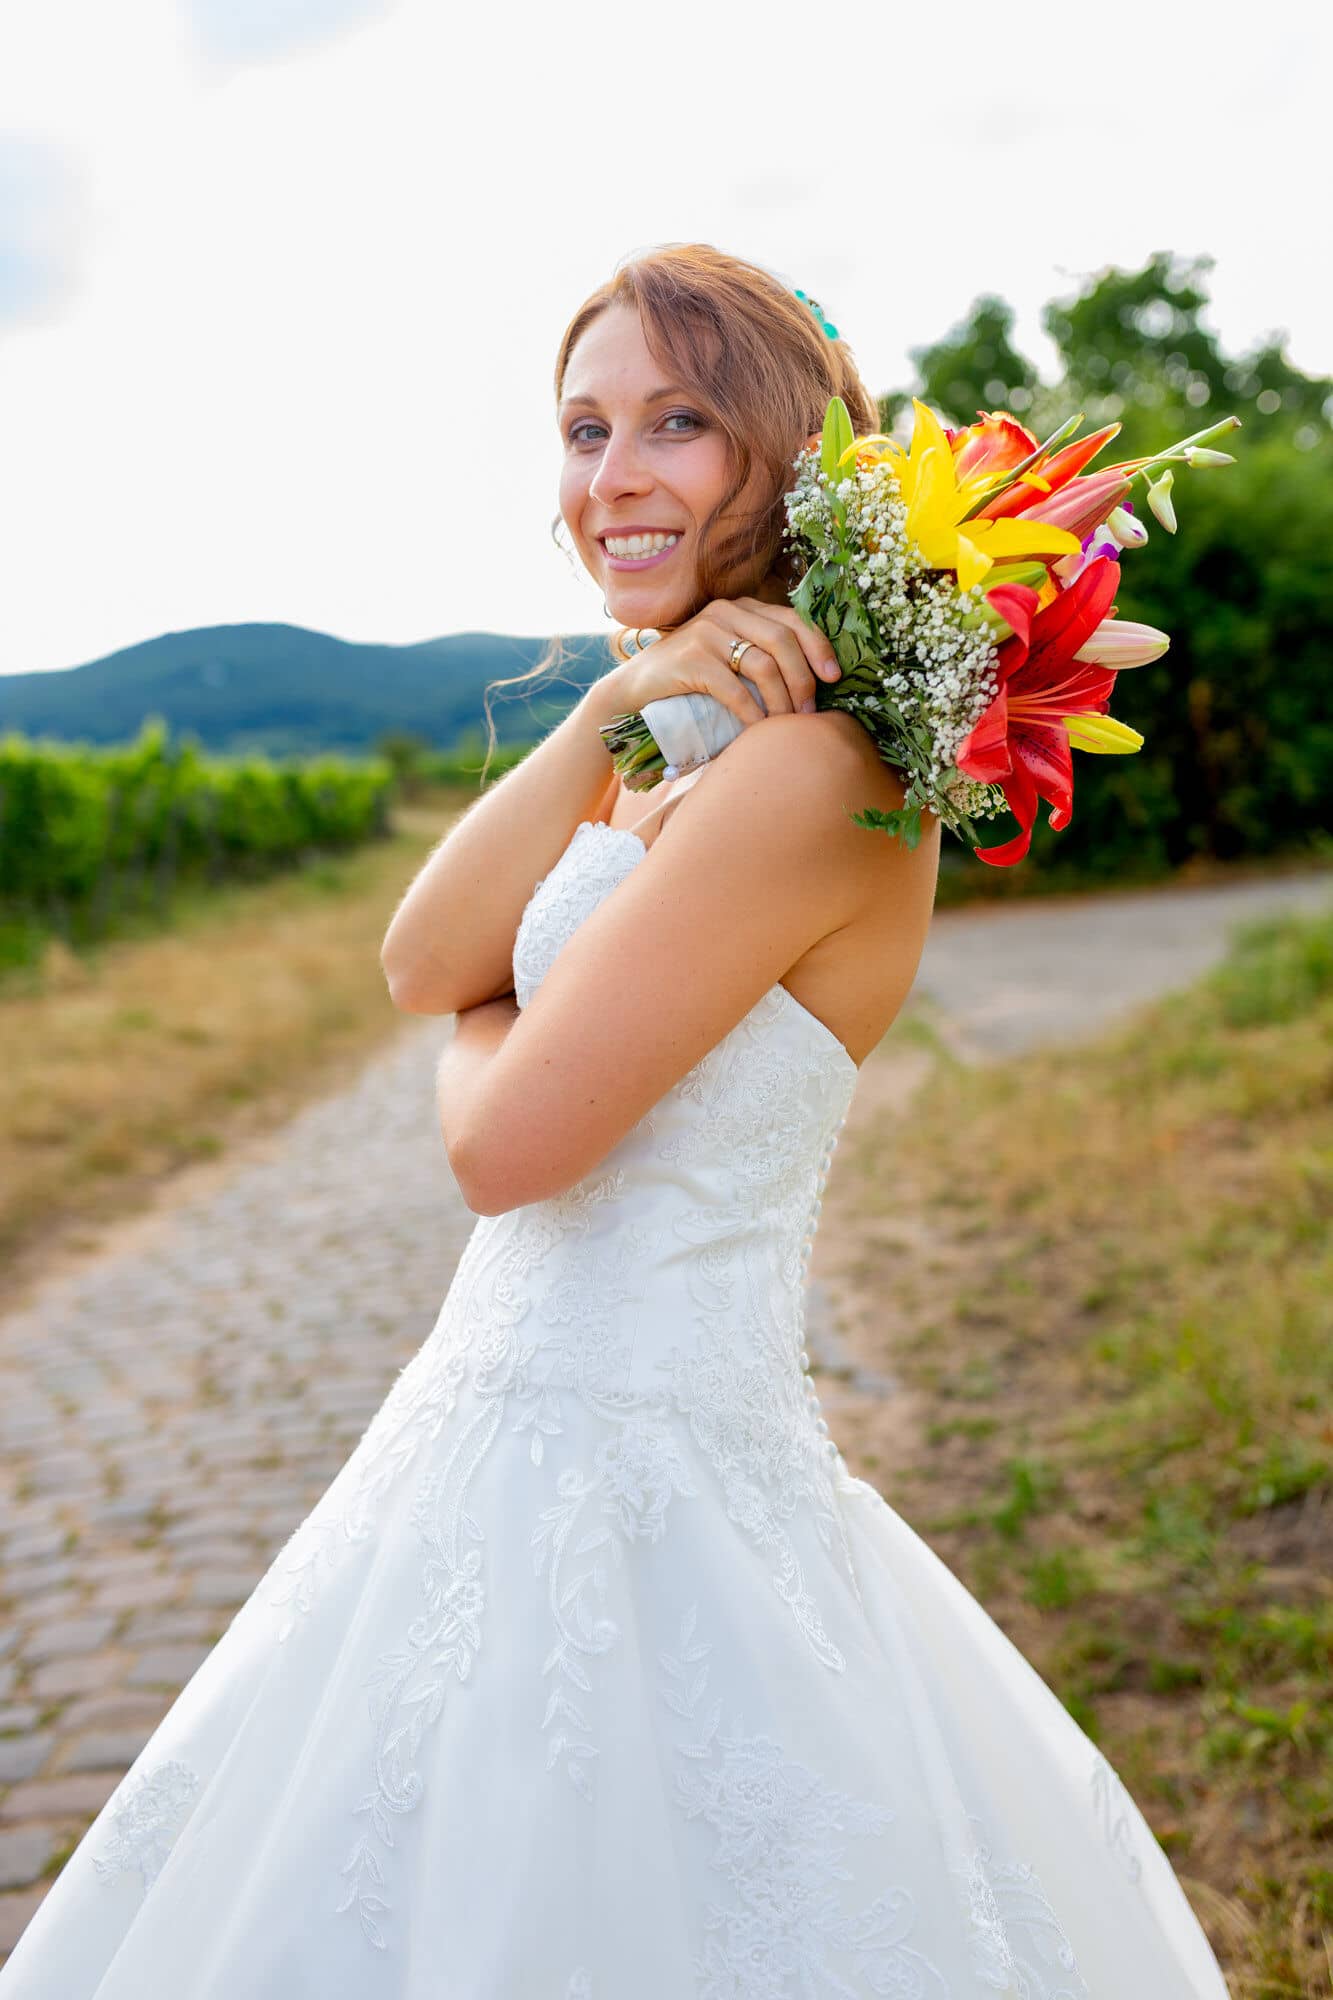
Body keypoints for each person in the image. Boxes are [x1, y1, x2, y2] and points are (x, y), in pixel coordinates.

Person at [0, 243, 1234, 1999]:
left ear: (792, 459)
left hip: (621, 1475)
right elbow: (417, 954)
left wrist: (490, 1021)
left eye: (677, 423)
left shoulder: (812, 776)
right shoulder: (684, 754)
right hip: (510, 1435)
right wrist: (604, 709)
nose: (613, 477)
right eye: (583, 430)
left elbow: (500, 1146)